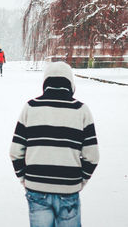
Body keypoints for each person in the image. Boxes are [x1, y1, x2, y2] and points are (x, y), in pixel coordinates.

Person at [10, 61, 99, 227]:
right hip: (68, 188)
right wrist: (79, 182)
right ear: (70, 83)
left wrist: (26, 179)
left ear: (46, 83)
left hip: (36, 188)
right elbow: (92, 156)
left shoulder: (30, 107)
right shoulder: (81, 110)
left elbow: (15, 151)